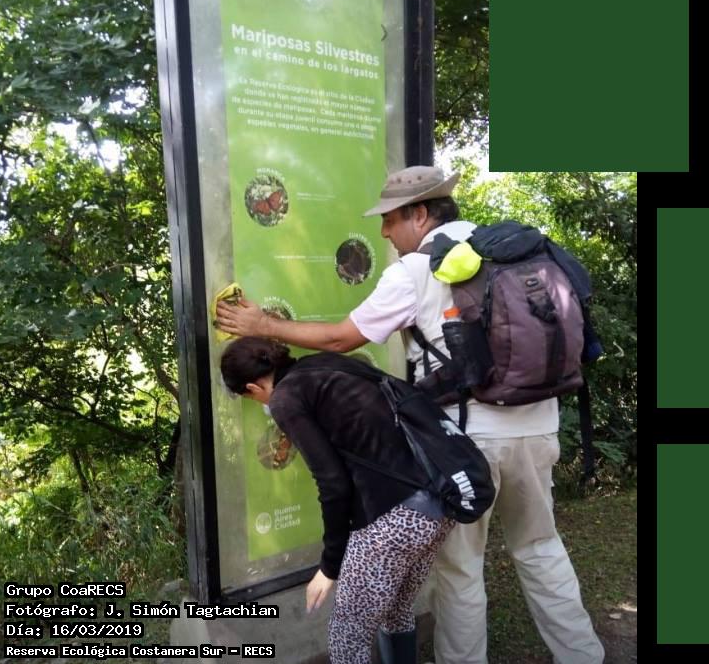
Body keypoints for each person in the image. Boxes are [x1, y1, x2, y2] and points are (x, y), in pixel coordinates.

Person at [216, 166, 604, 664]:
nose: (384, 233)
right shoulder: (507, 251)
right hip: (539, 423)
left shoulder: (417, 270)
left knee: (461, 569)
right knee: (541, 548)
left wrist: (262, 324)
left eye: (390, 220)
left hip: (467, 440)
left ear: (419, 214)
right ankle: (583, 656)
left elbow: (340, 338)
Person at [220, 336, 455, 664]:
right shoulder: (325, 363)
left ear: (252, 387)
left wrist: (329, 567)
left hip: (394, 521)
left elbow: (333, 483)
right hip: (438, 504)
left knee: (347, 637)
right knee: (397, 612)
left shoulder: (285, 399)